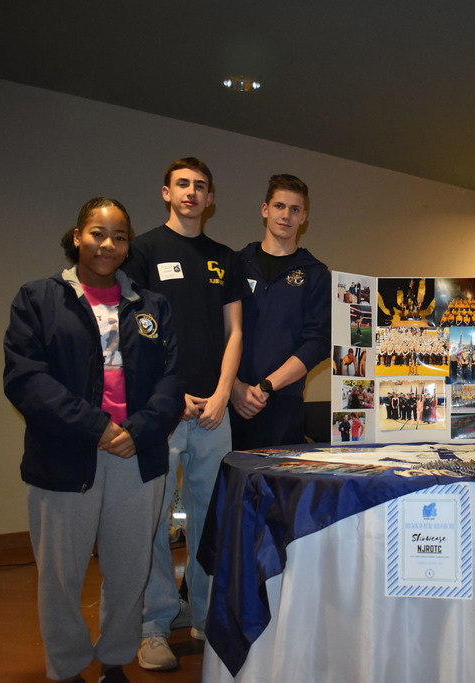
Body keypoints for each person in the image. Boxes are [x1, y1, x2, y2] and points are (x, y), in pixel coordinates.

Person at [4, 198, 184, 683]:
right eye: (98, 233)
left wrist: (138, 431)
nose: (108, 244)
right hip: (65, 458)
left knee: (129, 572)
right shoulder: (38, 299)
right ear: (78, 236)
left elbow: (172, 381)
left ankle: (114, 661)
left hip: (136, 457)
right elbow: (26, 380)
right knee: (60, 579)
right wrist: (96, 427)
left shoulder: (153, 306)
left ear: (128, 246)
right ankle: (66, 668)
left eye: (119, 236)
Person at [121, 158, 250, 671]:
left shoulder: (225, 257)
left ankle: (202, 613)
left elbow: (234, 332)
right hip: (160, 410)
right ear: (166, 192)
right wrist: (169, 399)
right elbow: (135, 333)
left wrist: (221, 394)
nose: (191, 193)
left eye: (200, 186)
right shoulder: (144, 251)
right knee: (153, 518)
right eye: (182, 185)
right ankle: (153, 624)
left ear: (211, 197)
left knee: (210, 515)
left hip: (214, 410)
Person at [229, 174, 330, 449]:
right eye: (279, 206)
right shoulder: (235, 265)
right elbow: (217, 334)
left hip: (284, 405)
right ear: (265, 210)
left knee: (279, 490)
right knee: (228, 489)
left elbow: (318, 344)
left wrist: (266, 387)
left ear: (304, 217)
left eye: (294, 209)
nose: (286, 215)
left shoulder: (316, 273)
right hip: (229, 402)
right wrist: (235, 387)